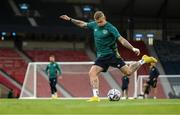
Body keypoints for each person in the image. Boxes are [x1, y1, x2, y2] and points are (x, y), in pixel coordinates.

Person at [60, 11, 157, 102]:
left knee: (128, 72)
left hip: (112, 55)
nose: (99, 24)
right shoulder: (94, 25)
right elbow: (82, 24)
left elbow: (122, 40)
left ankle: (143, 60)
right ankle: (96, 97)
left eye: (101, 22)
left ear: (104, 18)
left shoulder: (111, 28)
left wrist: (133, 48)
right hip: (101, 57)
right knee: (92, 73)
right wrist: (70, 19)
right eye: (97, 22)